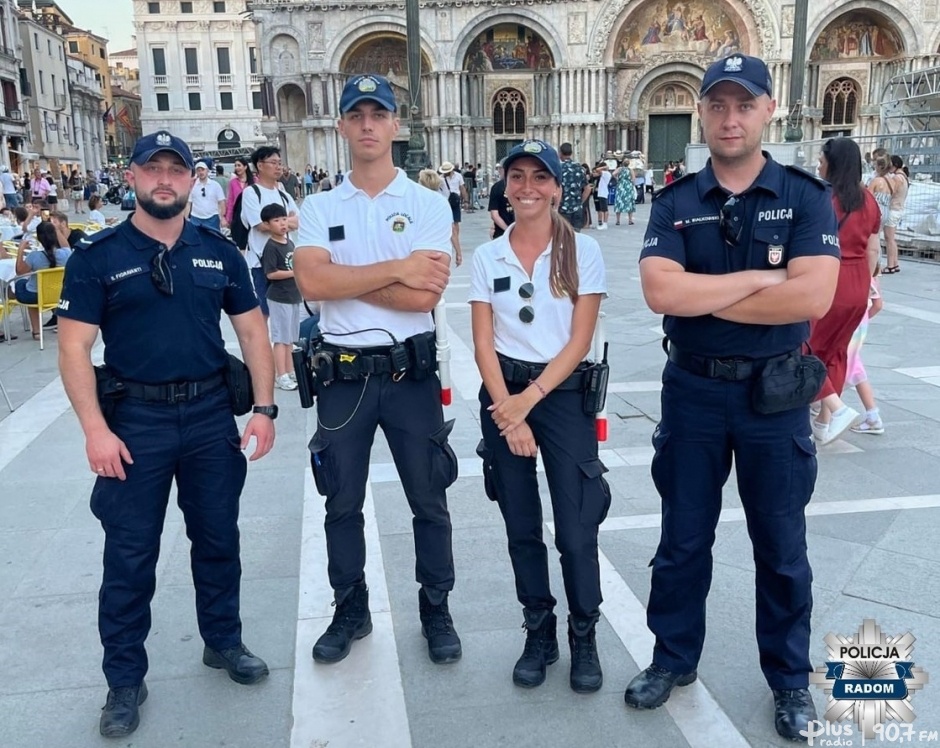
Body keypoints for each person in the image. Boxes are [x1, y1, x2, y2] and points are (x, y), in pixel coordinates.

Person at [626, 54, 840, 741]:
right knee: (682, 540)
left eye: (744, 104)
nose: (730, 117)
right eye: (717, 105)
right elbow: (662, 293)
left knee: (781, 544)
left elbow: (811, 298)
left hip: (774, 397)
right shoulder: (676, 200)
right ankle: (672, 658)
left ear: (768, 109)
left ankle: (787, 680)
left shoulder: (806, 196)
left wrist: (708, 297)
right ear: (702, 112)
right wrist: (759, 284)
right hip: (692, 392)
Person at [56, 130, 277, 738]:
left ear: (192, 180)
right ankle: (124, 680)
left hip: (210, 415)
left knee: (217, 539)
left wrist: (264, 409)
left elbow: (254, 333)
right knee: (129, 556)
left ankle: (223, 641)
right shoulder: (97, 256)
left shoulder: (218, 250)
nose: (164, 179)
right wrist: (94, 430)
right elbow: (74, 347)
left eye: (175, 169)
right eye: (151, 168)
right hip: (134, 422)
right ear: (131, 177)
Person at [293, 73, 461, 667]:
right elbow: (312, 282)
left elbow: (425, 297)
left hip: (408, 376)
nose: (367, 124)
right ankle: (350, 607)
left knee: (429, 497)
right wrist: (395, 268)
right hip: (342, 377)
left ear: (395, 125)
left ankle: (436, 608)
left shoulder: (427, 203)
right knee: (340, 501)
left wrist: (348, 278)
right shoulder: (316, 205)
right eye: (355, 114)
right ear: (341, 125)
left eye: (378, 114)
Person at [468, 139, 608, 693]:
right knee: (521, 525)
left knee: (576, 529)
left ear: (556, 186)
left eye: (539, 177)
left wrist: (531, 401)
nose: (527, 187)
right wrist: (510, 412)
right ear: (505, 185)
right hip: (504, 394)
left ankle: (584, 632)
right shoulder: (488, 256)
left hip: (563, 397)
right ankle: (539, 630)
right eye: (517, 177)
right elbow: (483, 343)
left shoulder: (582, 250)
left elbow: (580, 339)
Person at [809, 138, 881, 445]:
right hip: (858, 282)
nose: (818, 164)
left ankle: (835, 408)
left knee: (804, 345)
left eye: (822, 159)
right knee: (837, 352)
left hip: (830, 277)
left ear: (833, 162)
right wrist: (868, 281)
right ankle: (824, 423)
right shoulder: (869, 201)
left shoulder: (823, 198)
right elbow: (873, 251)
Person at [241, 146, 299, 316]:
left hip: (285, 262)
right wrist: (286, 221)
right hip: (261, 262)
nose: (278, 167)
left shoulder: (283, 195)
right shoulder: (251, 193)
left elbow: (297, 221)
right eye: (273, 163)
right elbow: (259, 225)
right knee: (264, 311)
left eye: (280, 163)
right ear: (260, 165)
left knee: (286, 309)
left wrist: (277, 223)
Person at [260, 202, 301, 390]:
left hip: (293, 296)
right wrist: (295, 273)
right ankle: (281, 374)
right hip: (279, 297)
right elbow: (271, 274)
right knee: (281, 338)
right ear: (268, 225)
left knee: (291, 338)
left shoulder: (289, 242)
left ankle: (291, 370)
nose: (282, 224)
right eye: (276, 221)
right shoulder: (271, 247)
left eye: (284, 219)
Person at [8, 220, 70, 337]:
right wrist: (56, 229)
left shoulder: (34, 257)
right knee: (34, 287)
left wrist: (20, 250)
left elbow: (19, 271)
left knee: (23, 283)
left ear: (38, 238)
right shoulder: (66, 254)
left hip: (35, 295)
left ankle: (36, 331)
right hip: (58, 294)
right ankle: (56, 318)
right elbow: (66, 246)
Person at [846, 267, 885, 435]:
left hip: (847, 323)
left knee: (841, 364)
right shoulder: (867, 274)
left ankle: (828, 411)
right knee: (854, 365)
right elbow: (878, 305)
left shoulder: (850, 272)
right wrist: (864, 319)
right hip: (860, 324)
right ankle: (872, 415)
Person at [883, 155, 908, 273]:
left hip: (893, 209)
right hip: (898, 209)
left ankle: (890, 265)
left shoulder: (897, 178)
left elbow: (890, 190)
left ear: (895, 165)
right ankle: (895, 263)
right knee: (892, 238)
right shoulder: (903, 176)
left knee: (889, 239)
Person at [438, 161, 465, 264]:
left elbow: (462, 187)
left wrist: (465, 200)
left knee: (456, 221)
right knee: (450, 223)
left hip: (455, 201)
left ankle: (455, 239)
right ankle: (453, 239)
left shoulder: (458, 176)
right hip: (446, 202)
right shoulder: (440, 179)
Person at [188, 161, 226, 231]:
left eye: (202, 170)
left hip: (212, 218)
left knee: (212, 240)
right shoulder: (192, 186)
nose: (201, 172)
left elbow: (221, 202)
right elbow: (188, 203)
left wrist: (222, 217)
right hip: (196, 218)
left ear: (207, 171)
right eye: (198, 170)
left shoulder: (215, 185)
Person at [558, 143, 588, 231]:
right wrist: (580, 202)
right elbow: (587, 188)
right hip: (577, 208)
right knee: (576, 236)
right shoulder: (579, 167)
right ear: (571, 153)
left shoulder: (559, 168)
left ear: (560, 153)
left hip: (563, 208)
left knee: (563, 237)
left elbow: (557, 188)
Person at [224, 157, 254, 241]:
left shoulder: (254, 181)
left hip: (251, 212)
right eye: (235, 166)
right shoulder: (233, 182)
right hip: (238, 214)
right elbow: (230, 201)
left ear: (245, 167)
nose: (237, 168)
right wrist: (228, 218)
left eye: (239, 165)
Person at [487, 162, 514, 239]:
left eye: (499, 169)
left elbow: (494, 214)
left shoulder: (496, 187)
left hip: (502, 233)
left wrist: (507, 230)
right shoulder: (522, 185)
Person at [614, 159, 636, 225]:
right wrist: (632, 183)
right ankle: (630, 220)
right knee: (629, 202)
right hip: (628, 186)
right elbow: (633, 178)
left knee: (619, 202)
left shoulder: (620, 169)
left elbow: (613, 174)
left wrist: (617, 179)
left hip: (621, 186)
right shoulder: (630, 170)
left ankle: (618, 220)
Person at [594, 162, 610, 229]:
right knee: (603, 208)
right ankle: (604, 223)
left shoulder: (606, 173)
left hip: (603, 193)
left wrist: (604, 167)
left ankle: (605, 223)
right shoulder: (605, 174)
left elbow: (597, 169)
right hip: (601, 192)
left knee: (604, 209)